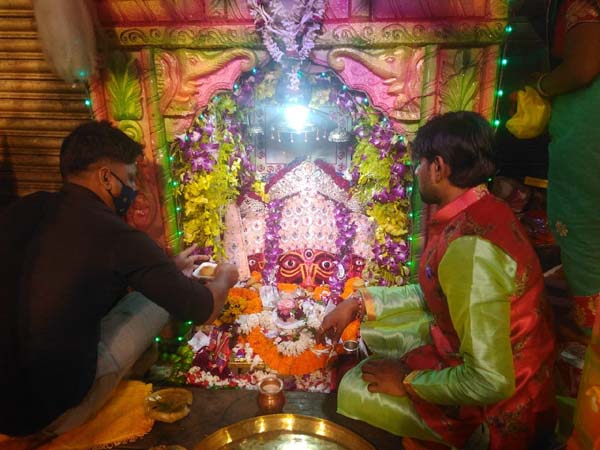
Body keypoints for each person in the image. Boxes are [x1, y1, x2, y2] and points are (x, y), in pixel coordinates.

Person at [319, 111, 556, 450]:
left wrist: (409, 383)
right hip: (486, 361)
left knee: (355, 386)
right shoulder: (481, 210)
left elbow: (491, 380)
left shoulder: (471, 247)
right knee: (379, 334)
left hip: (501, 410)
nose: (415, 174)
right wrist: (358, 303)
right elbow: (435, 289)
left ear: (439, 167)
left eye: (419, 164)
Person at [0, 121, 239, 436]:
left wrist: (166, 268)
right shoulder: (116, 234)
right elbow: (203, 309)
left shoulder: (23, 209)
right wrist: (225, 276)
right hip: (49, 416)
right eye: (128, 178)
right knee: (156, 303)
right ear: (105, 178)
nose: (133, 189)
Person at [534, 0, 600, 334]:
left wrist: (543, 86)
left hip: (589, 138)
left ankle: (593, 342)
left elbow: (583, 66)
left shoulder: (583, 5)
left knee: (583, 230)